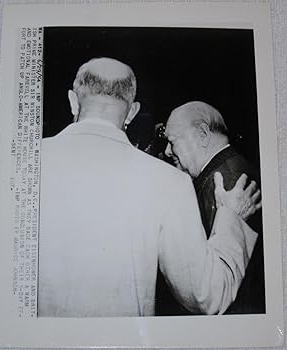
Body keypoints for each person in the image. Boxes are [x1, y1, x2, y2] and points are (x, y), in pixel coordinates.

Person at [38, 58, 260, 318]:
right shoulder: (169, 181)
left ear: (73, 101)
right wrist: (231, 219)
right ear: (132, 111)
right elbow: (207, 297)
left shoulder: (23, 161)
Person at [163, 101, 265, 314]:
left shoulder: (224, 183)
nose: (167, 151)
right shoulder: (230, 170)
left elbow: (218, 282)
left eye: (172, 142)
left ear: (202, 134)